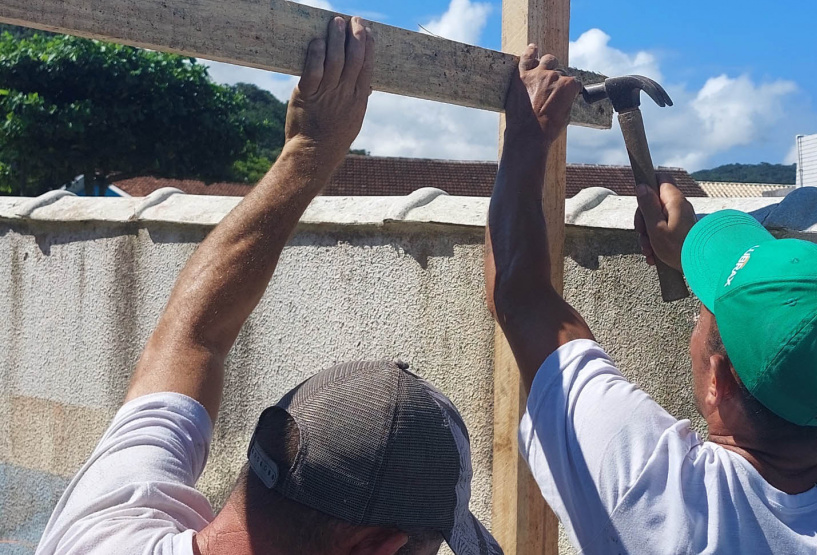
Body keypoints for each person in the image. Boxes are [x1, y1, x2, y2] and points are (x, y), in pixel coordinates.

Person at [37, 16, 501, 555]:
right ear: (374, 550)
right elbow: (194, 339)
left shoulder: (100, 527)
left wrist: (308, 150)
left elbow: (192, 337)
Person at [486, 44, 817, 554]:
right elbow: (805, 363)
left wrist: (528, 133)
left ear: (720, 382)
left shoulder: (651, 495)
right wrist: (692, 253)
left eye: (705, 310)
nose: (699, 312)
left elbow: (521, 294)